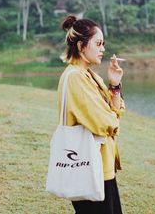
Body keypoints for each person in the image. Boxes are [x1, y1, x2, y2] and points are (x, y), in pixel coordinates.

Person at [57, 15, 125, 214]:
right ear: (81, 46)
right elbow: (104, 122)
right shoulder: (75, 77)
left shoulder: (90, 75)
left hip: (101, 165)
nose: (103, 49)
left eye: (103, 44)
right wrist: (113, 121)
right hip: (88, 167)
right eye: (98, 43)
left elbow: (116, 112)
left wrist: (115, 85)